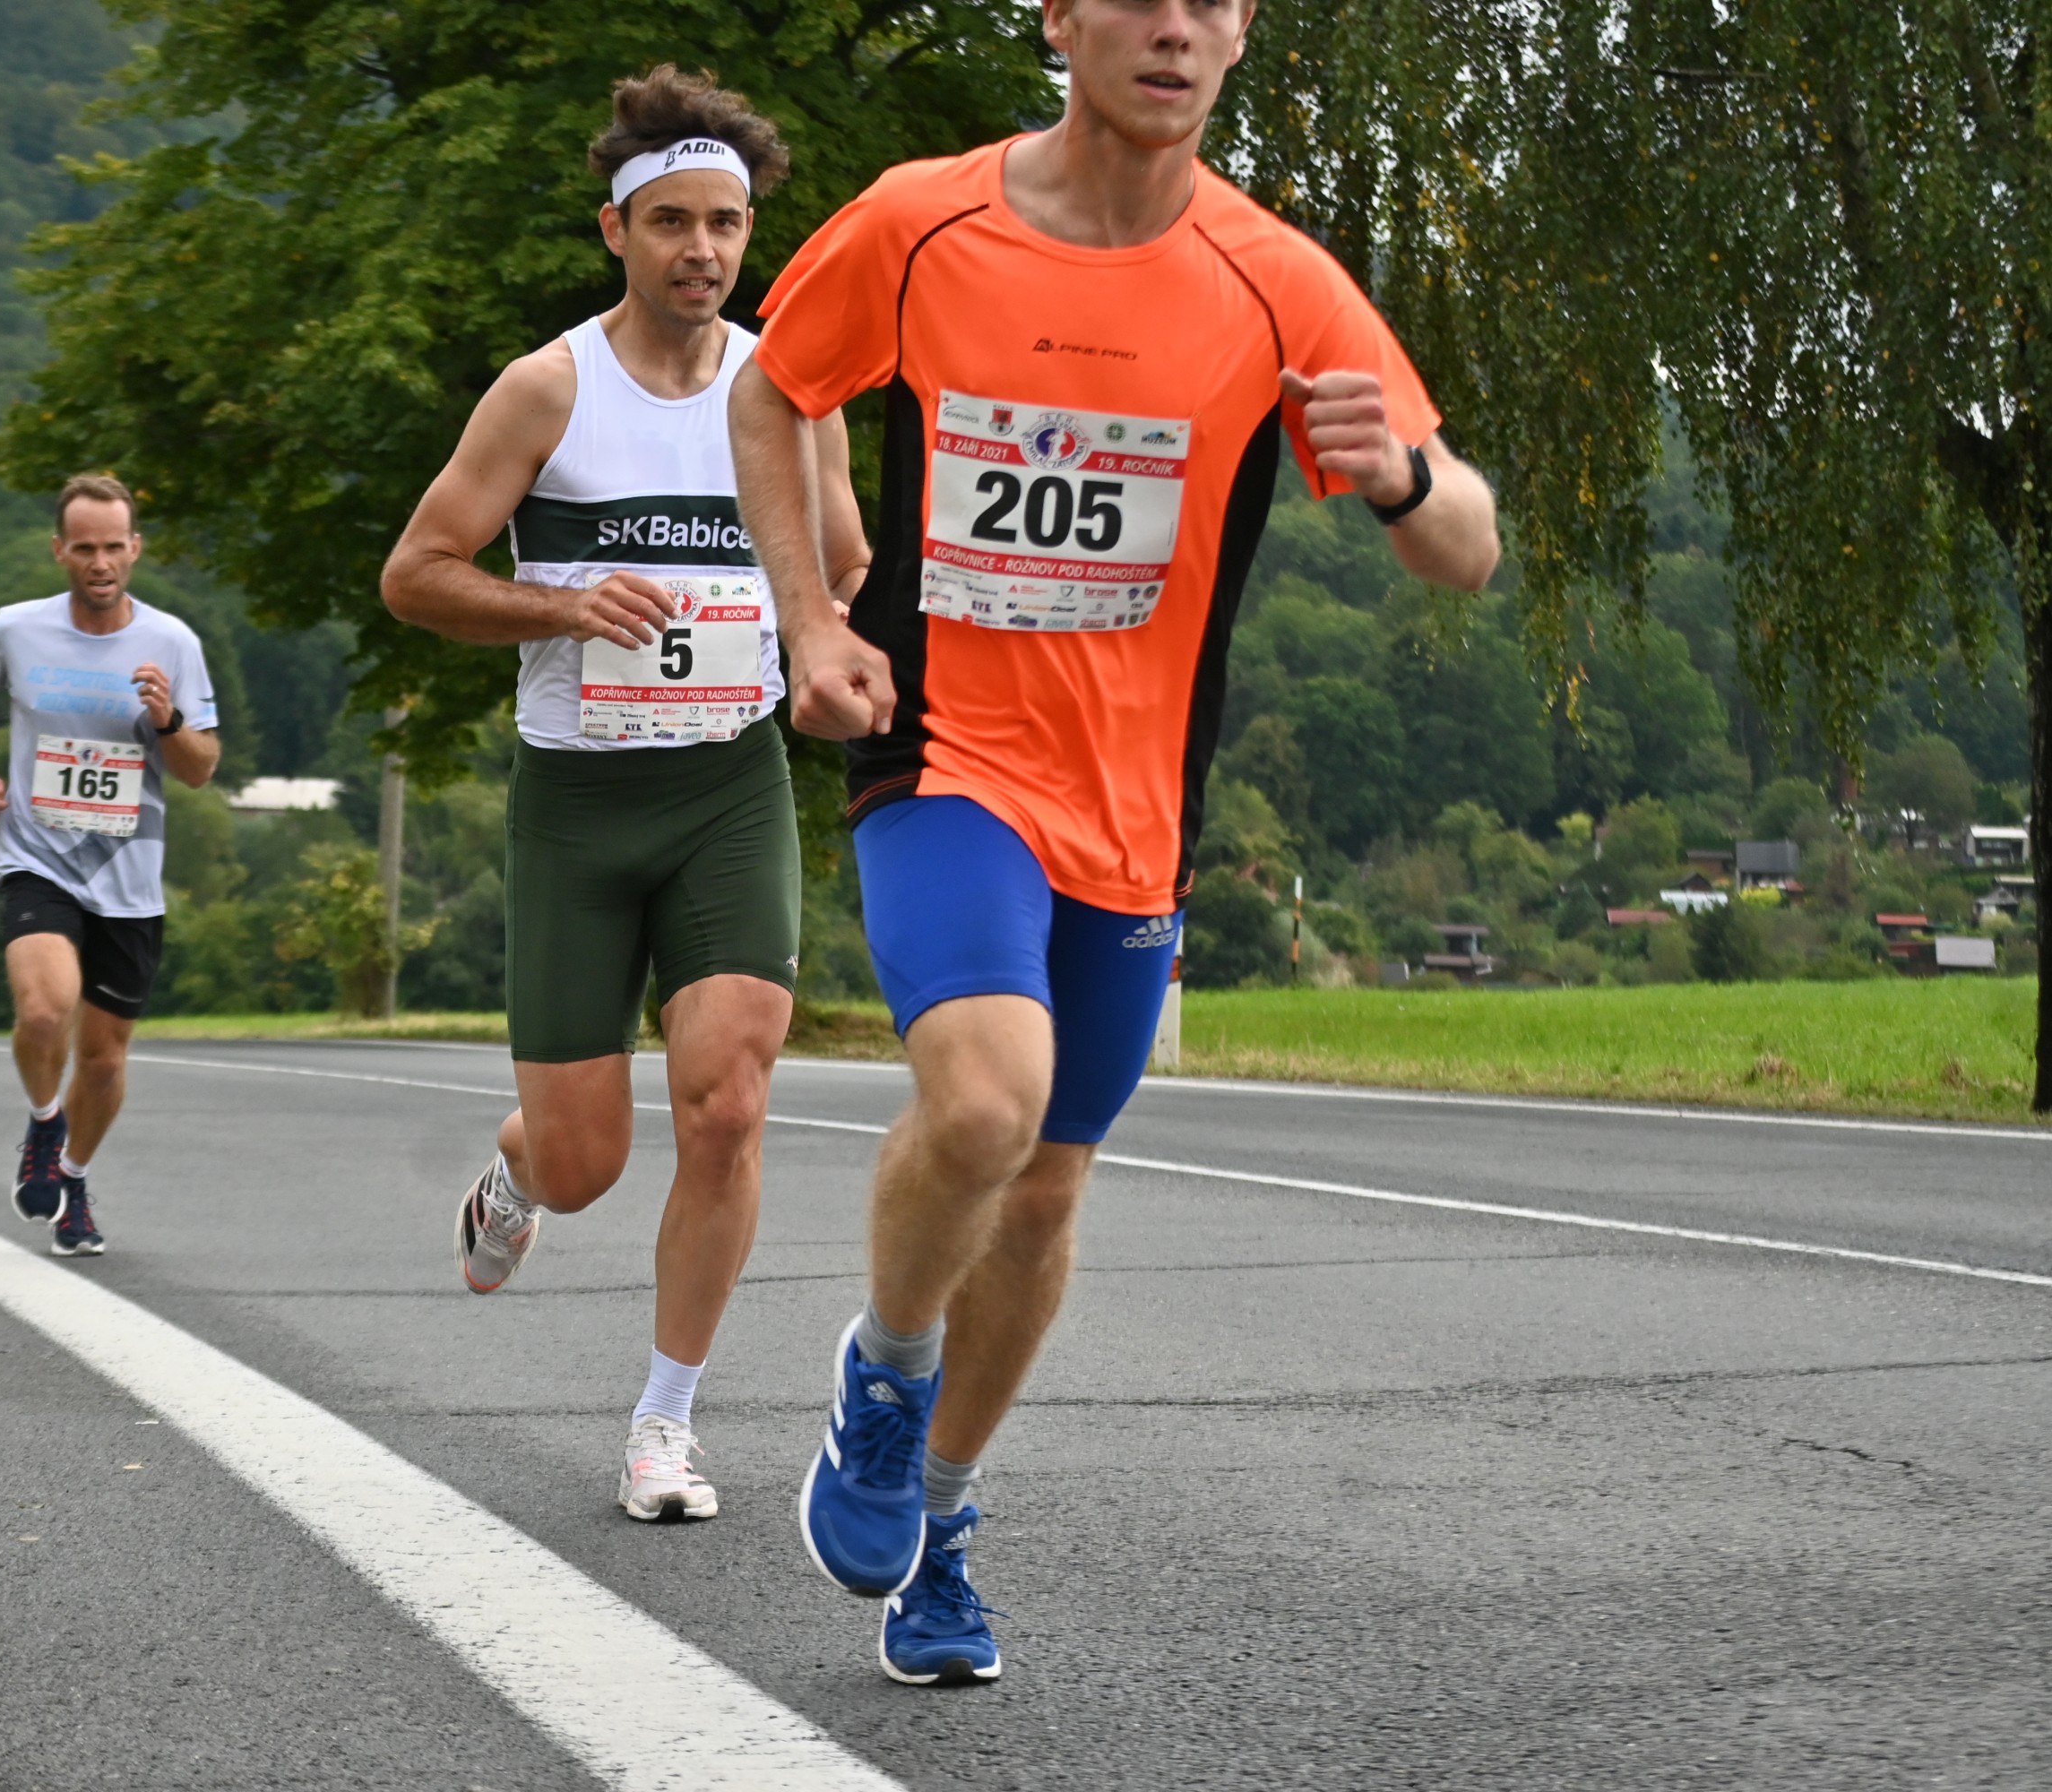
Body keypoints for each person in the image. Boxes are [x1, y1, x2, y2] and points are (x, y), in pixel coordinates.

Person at [732, 0, 1503, 1684]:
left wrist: (1396, 480)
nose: (1172, 27)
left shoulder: (1274, 279)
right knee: (985, 1103)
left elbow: (1468, 541)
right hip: (945, 753)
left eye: (1208, 2)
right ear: (1061, 19)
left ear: (1241, 34)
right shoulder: (923, 222)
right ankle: (887, 1369)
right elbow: (775, 387)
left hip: (1139, 807)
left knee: (1045, 1194)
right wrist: (810, 621)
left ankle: (942, 1520)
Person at [380, 67, 869, 1522]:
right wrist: (562, 604)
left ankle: (667, 1422)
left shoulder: (791, 392)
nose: (701, 249)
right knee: (587, 1163)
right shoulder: (550, 388)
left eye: (726, 222)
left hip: (728, 787)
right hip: (580, 804)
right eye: (671, 222)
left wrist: (815, 641)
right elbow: (416, 575)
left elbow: (843, 563)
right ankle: (521, 1172)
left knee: (727, 1101)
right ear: (617, 230)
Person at [0, 474, 222, 1257]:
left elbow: (200, 769)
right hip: (38, 857)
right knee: (42, 1012)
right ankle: (43, 1124)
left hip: (129, 879)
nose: (100, 563)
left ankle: (73, 1178)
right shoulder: (17, 629)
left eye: (114, 547)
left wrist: (167, 719)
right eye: (85, 548)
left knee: (102, 1062)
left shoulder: (172, 643)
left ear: (136, 550)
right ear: (59, 551)